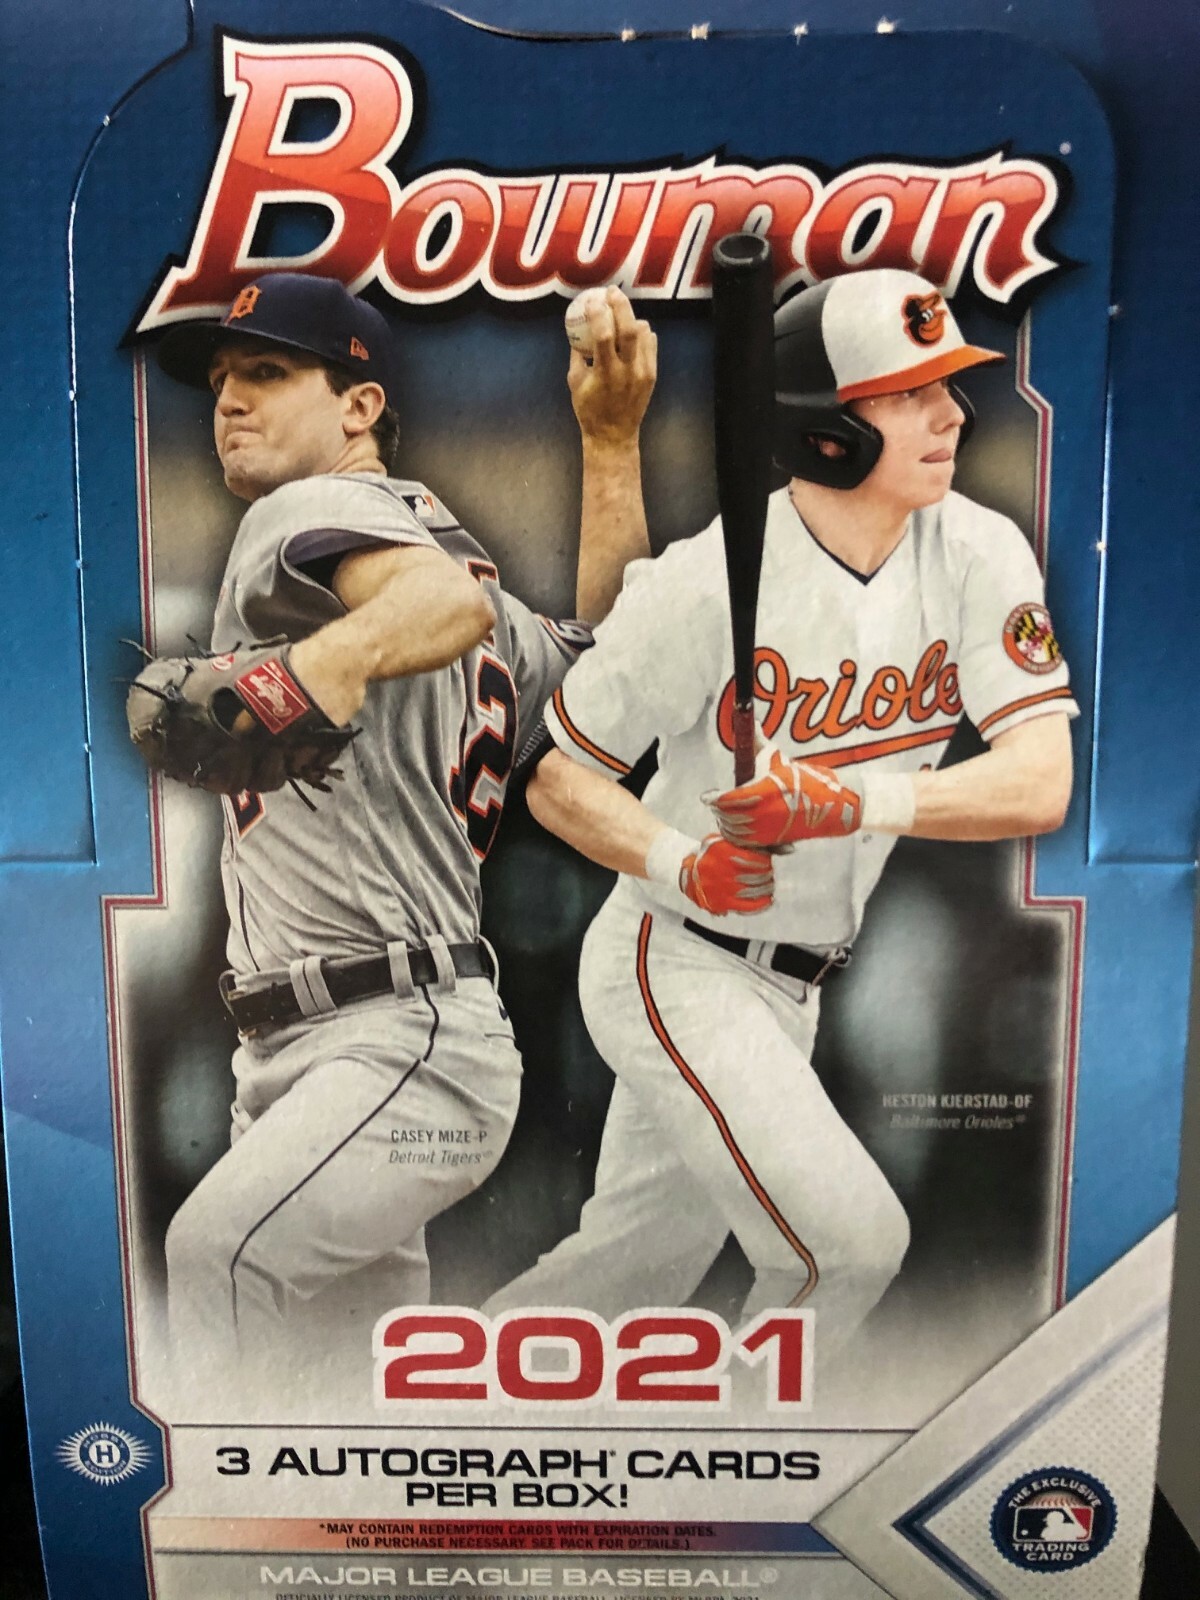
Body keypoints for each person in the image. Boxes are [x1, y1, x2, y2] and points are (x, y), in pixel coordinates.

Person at [485, 268, 1076, 1358]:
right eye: (910, 393)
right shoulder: (709, 581)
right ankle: (742, 1448)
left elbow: (1040, 780)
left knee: (626, 1273)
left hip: (797, 980)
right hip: (679, 955)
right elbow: (558, 778)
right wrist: (684, 860)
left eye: (949, 385)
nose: (954, 413)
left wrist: (849, 800)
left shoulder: (978, 550)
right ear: (826, 433)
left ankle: (432, 1408)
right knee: (850, 1244)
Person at [146, 270, 656, 1407]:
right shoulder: (466, 573)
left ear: (360, 406)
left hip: (392, 1042)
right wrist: (612, 445)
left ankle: (217, 1531)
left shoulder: (299, 517)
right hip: (354, 1052)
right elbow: (618, 677)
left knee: (218, 1257)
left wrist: (315, 665)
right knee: (343, 1411)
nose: (229, 401)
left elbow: (444, 610)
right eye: (221, 380)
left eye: (267, 372)